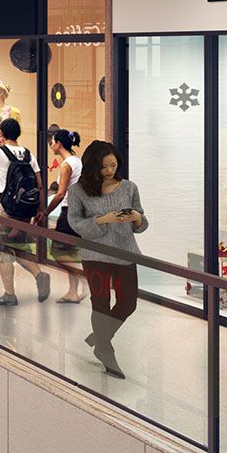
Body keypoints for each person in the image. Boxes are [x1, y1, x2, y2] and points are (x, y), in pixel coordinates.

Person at [67, 141, 147, 379]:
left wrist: (136, 217)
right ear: (93, 166)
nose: (110, 170)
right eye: (104, 166)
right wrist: (103, 220)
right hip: (95, 255)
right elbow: (75, 223)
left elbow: (142, 224)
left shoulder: (129, 188)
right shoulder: (78, 191)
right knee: (100, 303)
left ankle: (100, 337)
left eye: (113, 165)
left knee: (128, 303)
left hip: (125, 252)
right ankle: (105, 350)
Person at [0, 118, 51, 306]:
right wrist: (40, 211)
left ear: (2, 134)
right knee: (18, 247)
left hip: (5, 209)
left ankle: (9, 294)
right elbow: (39, 185)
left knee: (3, 250)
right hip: (26, 209)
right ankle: (40, 275)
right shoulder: (29, 155)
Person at [43, 129, 88, 303]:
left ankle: (83, 278)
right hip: (79, 211)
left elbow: (61, 193)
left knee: (58, 252)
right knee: (70, 253)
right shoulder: (77, 161)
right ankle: (72, 292)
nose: (51, 145)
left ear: (59, 144)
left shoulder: (66, 165)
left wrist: (46, 212)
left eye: (53, 141)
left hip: (69, 211)